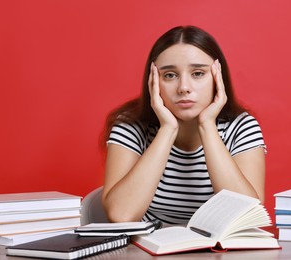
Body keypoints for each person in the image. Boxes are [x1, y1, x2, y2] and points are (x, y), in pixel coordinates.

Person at [101, 25, 266, 225]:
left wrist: (207, 126)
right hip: (148, 250)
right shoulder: (130, 126)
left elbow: (248, 217)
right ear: (153, 80)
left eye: (198, 73)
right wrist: (167, 129)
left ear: (218, 77)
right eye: (170, 75)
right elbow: (121, 215)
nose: (184, 88)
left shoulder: (241, 127)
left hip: (217, 251)